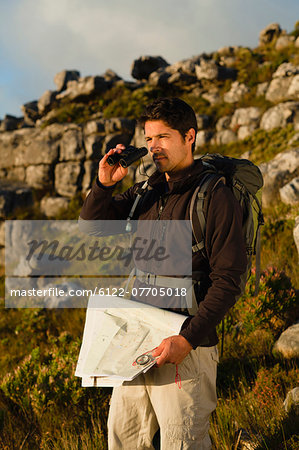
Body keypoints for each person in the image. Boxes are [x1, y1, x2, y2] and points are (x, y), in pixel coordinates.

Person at [79, 97, 247, 449]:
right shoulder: (147, 191)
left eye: (163, 137)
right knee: (123, 441)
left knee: (182, 443)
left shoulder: (215, 197)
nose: (154, 146)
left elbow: (229, 280)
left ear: (190, 136)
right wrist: (105, 184)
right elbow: (93, 228)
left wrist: (187, 340)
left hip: (186, 346)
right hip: (137, 341)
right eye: (149, 137)